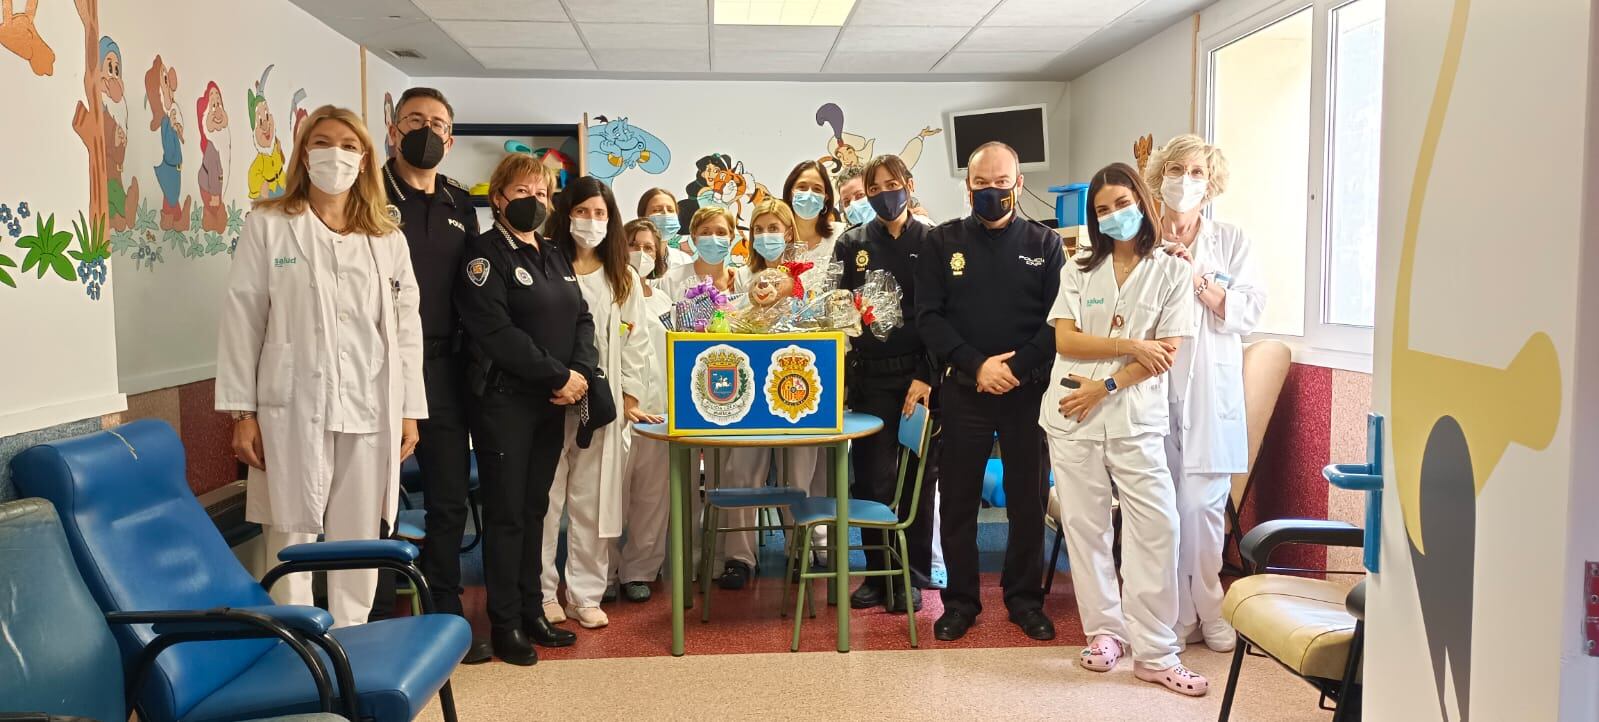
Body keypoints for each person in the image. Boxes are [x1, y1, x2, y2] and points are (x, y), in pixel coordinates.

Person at [216, 105, 425, 630]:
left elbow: (405, 328)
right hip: (292, 405)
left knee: (357, 535)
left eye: (350, 146)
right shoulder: (268, 225)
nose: (338, 154)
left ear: (366, 158)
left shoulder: (386, 238)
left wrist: (408, 411)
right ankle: (292, 645)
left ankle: (353, 644)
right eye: (324, 142)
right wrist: (242, 412)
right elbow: (244, 316)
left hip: (369, 404)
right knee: (290, 533)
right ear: (305, 154)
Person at [1042, 162, 1205, 696]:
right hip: (1071, 415)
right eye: (1103, 209)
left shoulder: (1173, 270)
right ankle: (1106, 634)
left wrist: (1105, 386)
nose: (1114, 215)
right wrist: (1132, 344)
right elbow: (1068, 341)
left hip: (1132, 418)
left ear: (1143, 201)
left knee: (1157, 528)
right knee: (1087, 530)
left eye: (1122, 202)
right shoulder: (1079, 269)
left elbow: (1168, 353)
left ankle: (1157, 652)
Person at [915, 141, 1062, 642]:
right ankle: (959, 602)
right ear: (968, 186)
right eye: (982, 184)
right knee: (956, 501)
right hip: (964, 389)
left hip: (1026, 392)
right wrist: (977, 365)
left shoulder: (1046, 244)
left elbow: (1057, 322)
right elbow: (928, 317)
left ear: (1018, 184)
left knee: (1026, 499)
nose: (992, 191)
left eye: (1002, 182)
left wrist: (1015, 368)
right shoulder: (942, 242)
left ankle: (1023, 600)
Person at [455, 154, 589, 665]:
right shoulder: (483, 257)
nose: (535, 202)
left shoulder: (553, 252)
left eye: (543, 193)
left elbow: (581, 318)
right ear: (498, 198)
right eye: (523, 193)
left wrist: (577, 374)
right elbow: (496, 333)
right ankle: (505, 622)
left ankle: (533, 609)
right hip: (505, 403)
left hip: (550, 404)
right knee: (507, 515)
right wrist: (559, 376)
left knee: (536, 512)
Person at [377, 86, 488, 662]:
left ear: (451, 136)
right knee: (374, 498)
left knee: (448, 497)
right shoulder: (365, 193)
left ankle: (445, 610)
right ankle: (374, 615)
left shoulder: (458, 202)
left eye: (436, 122)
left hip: (444, 368)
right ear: (393, 130)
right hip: (376, 367)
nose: (425, 129)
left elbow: (475, 283)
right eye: (413, 119)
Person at [1143, 135, 1266, 653]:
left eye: (1196, 171)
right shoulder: (1142, 238)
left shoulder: (1231, 240)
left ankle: (1211, 608)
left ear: (1211, 181)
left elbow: (1251, 308)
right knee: (1163, 512)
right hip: (1154, 387)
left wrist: (1197, 279)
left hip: (1209, 395)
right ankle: (1175, 615)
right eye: (1176, 168)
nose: (1186, 178)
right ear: (1160, 176)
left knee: (1202, 508)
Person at [538, 177, 652, 630]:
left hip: (600, 408)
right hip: (550, 397)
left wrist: (627, 397)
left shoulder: (620, 276)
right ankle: (545, 594)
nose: (591, 221)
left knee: (591, 503)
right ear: (566, 215)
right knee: (546, 504)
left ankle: (585, 593)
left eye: (600, 213)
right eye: (582, 212)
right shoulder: (547, 261)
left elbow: (637, 342)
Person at [833, 154, 937, 613]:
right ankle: (877, 574)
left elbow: (943, 317)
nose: (883, 195)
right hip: (869, 378)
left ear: (909, 184)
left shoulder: (935, 241)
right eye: (873, 189)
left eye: (891, 185)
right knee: (872, 481)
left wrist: (927, 376)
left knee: (917, 477)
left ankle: (911, 575)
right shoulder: (851, 242)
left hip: (919, 379)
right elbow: (837, 308)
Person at [614, 218, 673, 602]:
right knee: (611, 496)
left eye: (649, 247)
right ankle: (600, 574)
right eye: (633, 244)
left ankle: (638, 571)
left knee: (653, 497)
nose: (641, 253)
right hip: (619, 411)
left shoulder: (666, 301)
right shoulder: (611, 292)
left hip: (660, 412)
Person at [657, 205, 742, 299]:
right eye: (705, 233)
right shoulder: (671, 281)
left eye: (721, 232)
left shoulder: (740, 281)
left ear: (732, 237)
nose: (713, 238)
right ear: (694, 238)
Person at [637, 187, 694, 267]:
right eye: (657, 210)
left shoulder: (684, 261)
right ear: (642, 219)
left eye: (670, 210)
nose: (665, 214)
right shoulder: (630, 259)